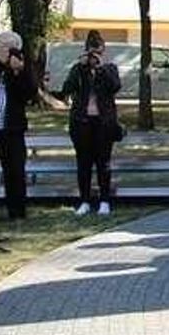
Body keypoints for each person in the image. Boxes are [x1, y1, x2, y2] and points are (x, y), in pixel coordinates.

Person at [64, 30, 122, 216]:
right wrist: (80, 68)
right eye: (91, 53)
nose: (94, 57)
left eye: (97, 52)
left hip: (103, 123)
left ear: (103, 51)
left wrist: (101, 68)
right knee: (84, 163)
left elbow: (115, 87)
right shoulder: (78, 70)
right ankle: (84, 201)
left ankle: (104, 201)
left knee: (103, 163)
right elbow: (66, 89)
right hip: (82, 122)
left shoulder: (109, 69)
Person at [0, 31, 35, 220]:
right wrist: (0, 65)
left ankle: (17, 212)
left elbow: (28, 94)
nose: (6, 50)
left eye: (11, 46)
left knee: (15, 171)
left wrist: (17, 71)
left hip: (10, 129)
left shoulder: (21, 70)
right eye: (2, 46)